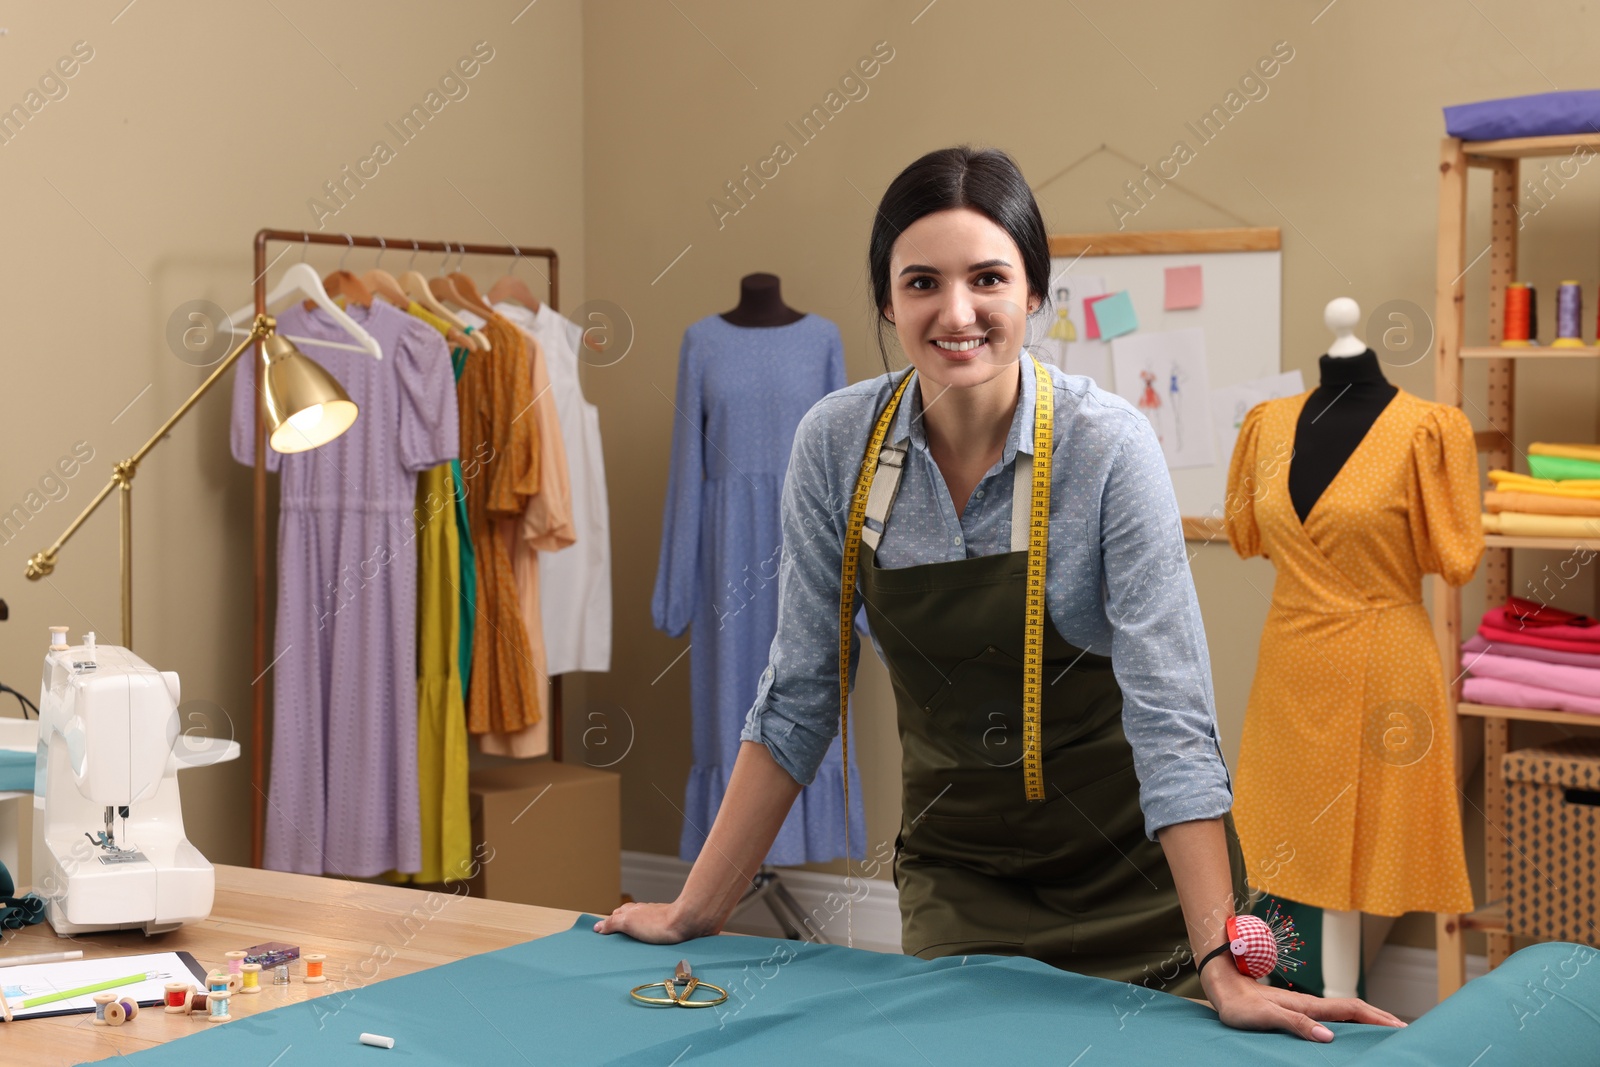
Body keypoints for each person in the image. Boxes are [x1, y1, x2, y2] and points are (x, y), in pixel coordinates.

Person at [598, 145, 1404, 1043]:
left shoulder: (1107, 450)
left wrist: (1218, 958)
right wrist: (694, 911)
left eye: (987, 277)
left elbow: (1172, 717)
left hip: (1138, 883)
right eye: (921, 283)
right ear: (886, 302)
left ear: (1033, 294)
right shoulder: (836, 447)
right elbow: (797, 699)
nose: (957, 312)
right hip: (962, 879)